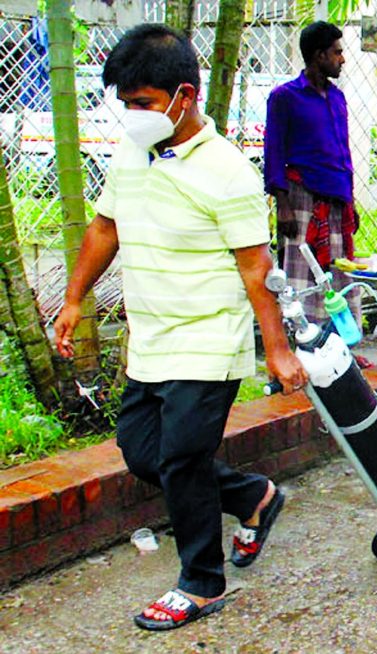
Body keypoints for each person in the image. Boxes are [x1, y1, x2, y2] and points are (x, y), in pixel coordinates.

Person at [53, 24, 308, 631]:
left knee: (184, 460)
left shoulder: (228, 174)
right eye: (126, 104)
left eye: (141, 104)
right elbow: (104, 229)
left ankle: (201, 581)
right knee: (144, 454)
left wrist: (276, 350)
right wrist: (72, 300)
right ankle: (253, 497)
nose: (131, 116)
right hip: (152, 338)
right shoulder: (129, 154)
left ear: (184, 95)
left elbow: (256, 269)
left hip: (207, 338)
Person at [263, 21, 361, 328]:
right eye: (337, 53)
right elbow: (274, 152)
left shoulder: (337, 98)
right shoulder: (285, 97)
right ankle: (304, 342)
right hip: (302, 198)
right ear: (319, 56)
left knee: (340, 273)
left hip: (337, 200)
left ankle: (342, 344)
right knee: (303, 273)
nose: (342, 59)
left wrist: (351, 200)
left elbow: (343, 153)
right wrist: (283, 207)